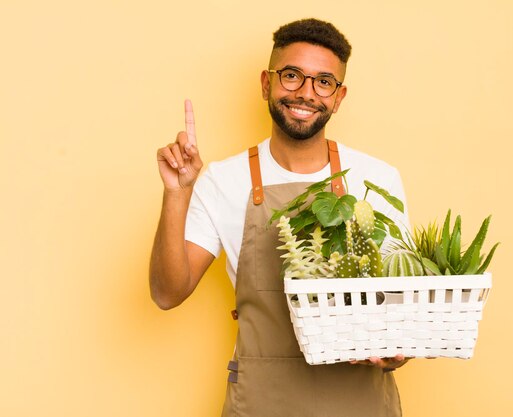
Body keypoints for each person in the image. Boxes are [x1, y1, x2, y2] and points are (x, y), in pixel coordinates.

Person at [150, 18, 411, 416]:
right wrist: (177, 192)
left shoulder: (376, 178)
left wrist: (398, 351)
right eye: (292, 76)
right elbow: (168, 293)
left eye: (323, 82)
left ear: (338, 98)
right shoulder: (223, 180)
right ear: (266, 83)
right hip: (262, 403)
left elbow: (401, 309)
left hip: (360, 402)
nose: (306, 93)